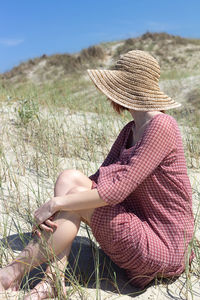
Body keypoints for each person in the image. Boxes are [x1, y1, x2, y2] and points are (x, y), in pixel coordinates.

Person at [0, 50, 194, 299]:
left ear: (126, 88)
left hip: (163, 248)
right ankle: (54, 279)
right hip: (139, 229)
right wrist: (63, 202)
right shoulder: (130, 130)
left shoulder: (162, 126)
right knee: (69, 178)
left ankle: (11, 273)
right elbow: (98, 179)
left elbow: (118, 190)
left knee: (75, 196)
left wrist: (57, 203)